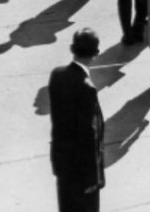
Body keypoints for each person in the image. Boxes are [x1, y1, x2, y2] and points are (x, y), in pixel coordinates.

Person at [48, 28, 105, 212]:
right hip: (82, 173)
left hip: (62, 164)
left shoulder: (56, 75)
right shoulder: (87, 88)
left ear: (72, 48)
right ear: (95, 54)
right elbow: (89, 135)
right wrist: (92, 179)